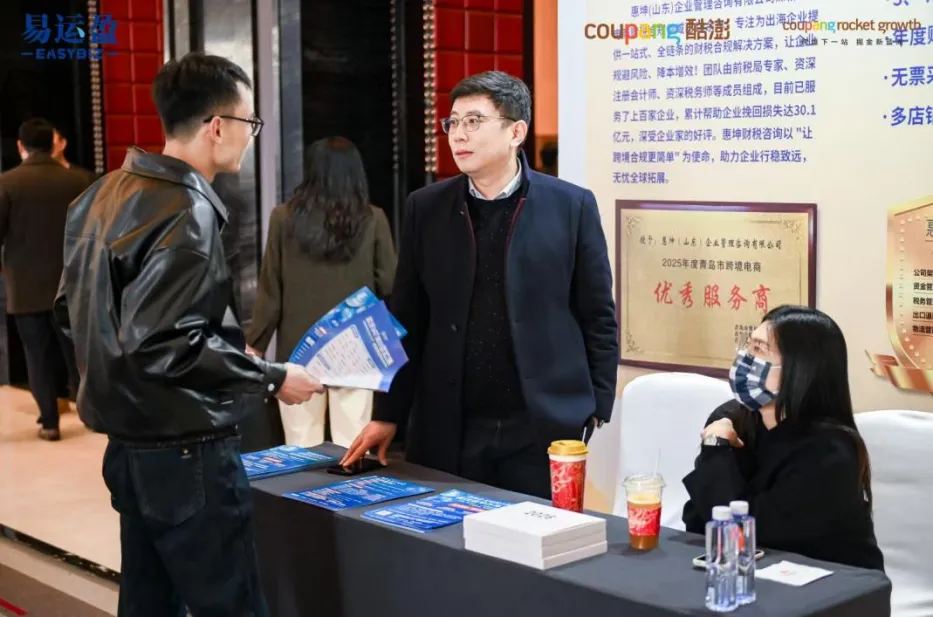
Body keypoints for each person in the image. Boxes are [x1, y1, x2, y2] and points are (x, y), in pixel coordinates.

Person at [53, 52, 324, 616]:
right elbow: (165, 344)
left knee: (148, 602)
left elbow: (71, 313)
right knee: (231, 604)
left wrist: (212, 348)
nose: (250, 136)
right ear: (216, 126)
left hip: (128, 447)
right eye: (249, 122)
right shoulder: (185, 207)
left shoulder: (101, 194)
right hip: (186, 452)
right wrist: (272, 377)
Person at [342, 71, 618, 499]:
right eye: (453, 122)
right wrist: (388, 412)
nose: (458, 134)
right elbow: (408, 318)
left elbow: (597, 313)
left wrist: (596, 407)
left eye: (474, 121)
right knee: (447, 534)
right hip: (450, 420)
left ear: (516, 132)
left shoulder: (570, 206)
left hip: (541, 422)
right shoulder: (426, 207)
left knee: (534, 535)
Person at [681, 305, 884, 571]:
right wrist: (715, 446)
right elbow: (697, 519)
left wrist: (716, 449)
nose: (745, 358)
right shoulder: (731, 421)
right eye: (748, 345)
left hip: (831, 580)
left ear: (801, 369)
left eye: (759, 349)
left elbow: (749, 534)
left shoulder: (829, 452)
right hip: (753, 574)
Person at [247, 136, 397, 447]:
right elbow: (390, 284)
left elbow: (270, 292)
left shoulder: (283, 218)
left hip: (299, 353)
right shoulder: (373, 219)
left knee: (300, 447)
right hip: (355, 351)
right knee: (353, 446)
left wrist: (255, 348)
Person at [0, 118, 92, 440]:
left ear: (20, 146)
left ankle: (50, 423)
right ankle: (91, 415)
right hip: (73, 286)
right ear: (54, 143)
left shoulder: (7, 183)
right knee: (77, 355)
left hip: (25, 288)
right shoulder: (80, 180)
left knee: (36, 356)